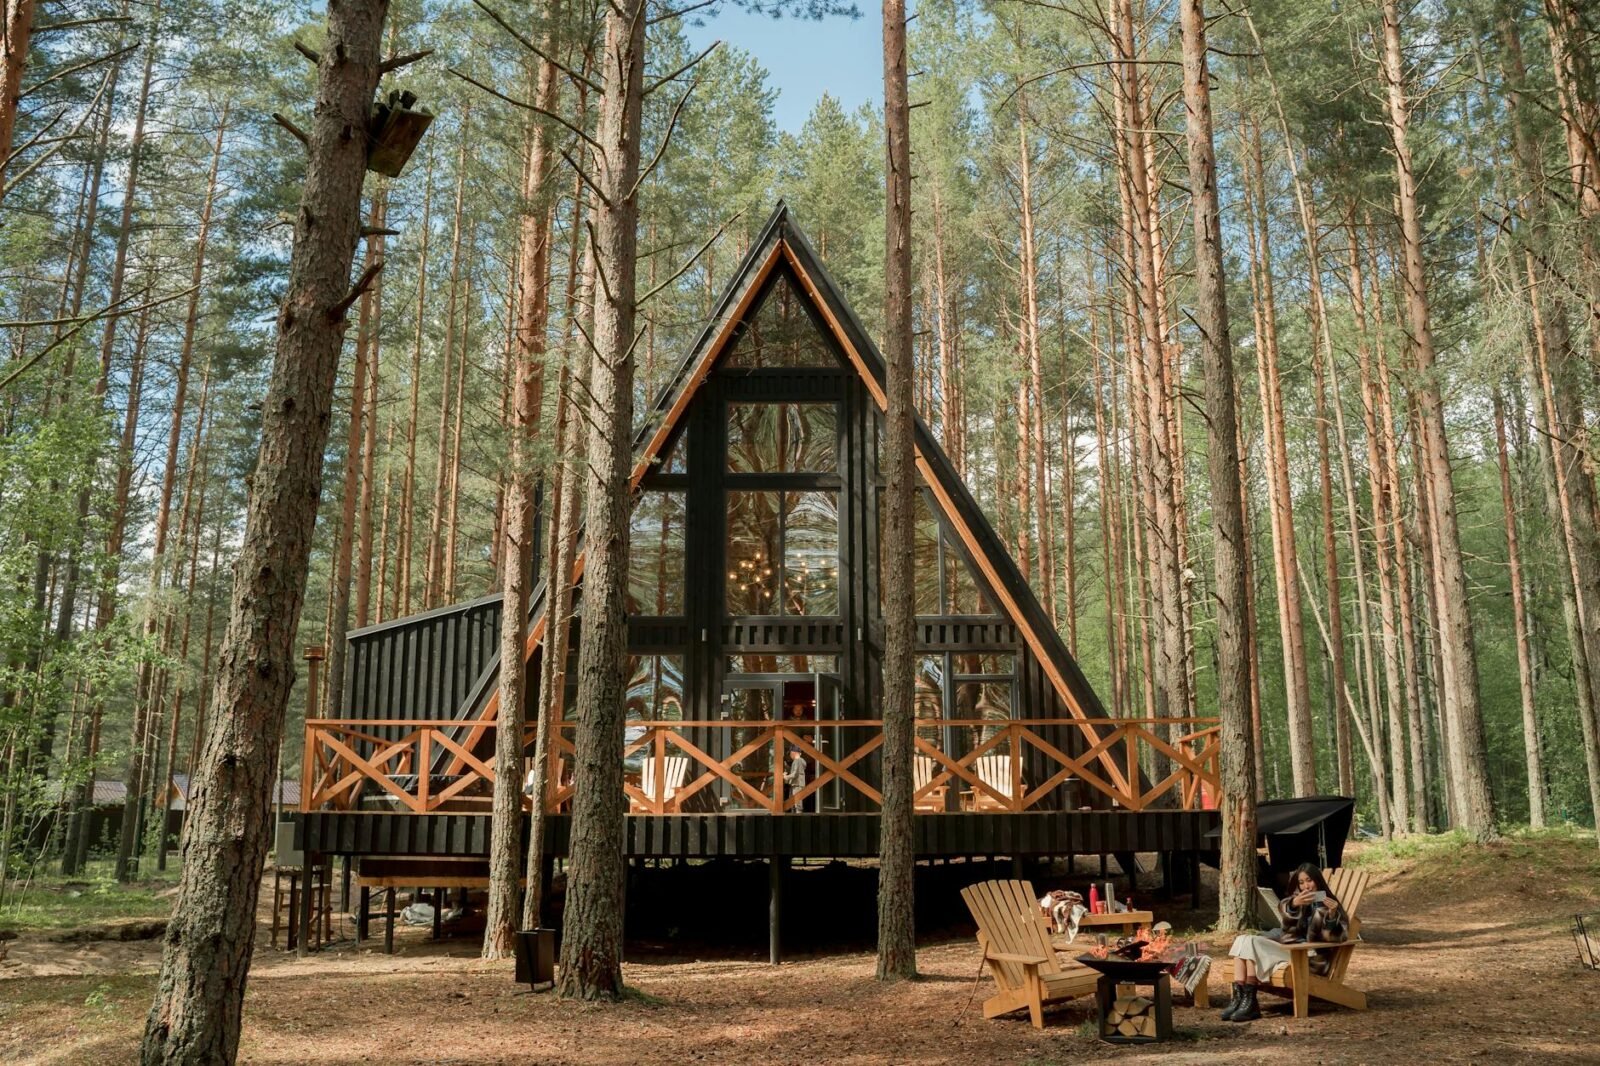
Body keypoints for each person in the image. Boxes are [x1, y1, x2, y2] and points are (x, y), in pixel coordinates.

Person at [1222, 863, 1348, 1022]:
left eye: (1309, 880)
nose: (1306, 886)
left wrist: (1331, 915)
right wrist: (1294, 905)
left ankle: (1250, 1003)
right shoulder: (1298, 903)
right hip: (1290, 950)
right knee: (1243, 939)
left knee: (1251, 943)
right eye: (1301, 883)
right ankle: (1240, 999)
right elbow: (1287, 929)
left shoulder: (1330, 906)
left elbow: (1337, 938)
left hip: (1307, 958)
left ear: (1318, 881)